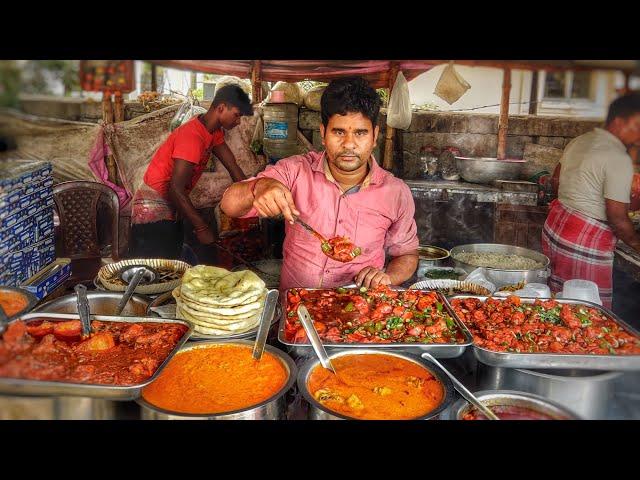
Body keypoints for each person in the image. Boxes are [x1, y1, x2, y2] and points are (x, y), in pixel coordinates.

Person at [220, 77, 419, 291]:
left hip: (361, 310)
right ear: (323, 134)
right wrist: (258, 187)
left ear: (374, 136)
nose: (349, 144)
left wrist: (387, 277)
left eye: (360, 133)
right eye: (339, 132)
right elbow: (229, 205)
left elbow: (407, 254)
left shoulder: (396, 192)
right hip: (296, 307)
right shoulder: (295, 171)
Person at [129, 84, 253, 261]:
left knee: (170, 261)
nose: (239, 121)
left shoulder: (212, 131)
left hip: (172, 201)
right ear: (221, 108)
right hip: (153, 205)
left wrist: (252, 196)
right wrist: (201, 227)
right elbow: (175, 189)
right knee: (152, 268)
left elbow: (232, 166)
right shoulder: (192, 137)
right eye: (237, 115)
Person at [542, 92, 640, 308]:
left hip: (557, 226)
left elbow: (556, 181)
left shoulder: (581, 140)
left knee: (558, 299)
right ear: (619, 122)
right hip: (585, 240)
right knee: (587, 311)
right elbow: (618, 219)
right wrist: (636, 244)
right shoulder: (618, 158)